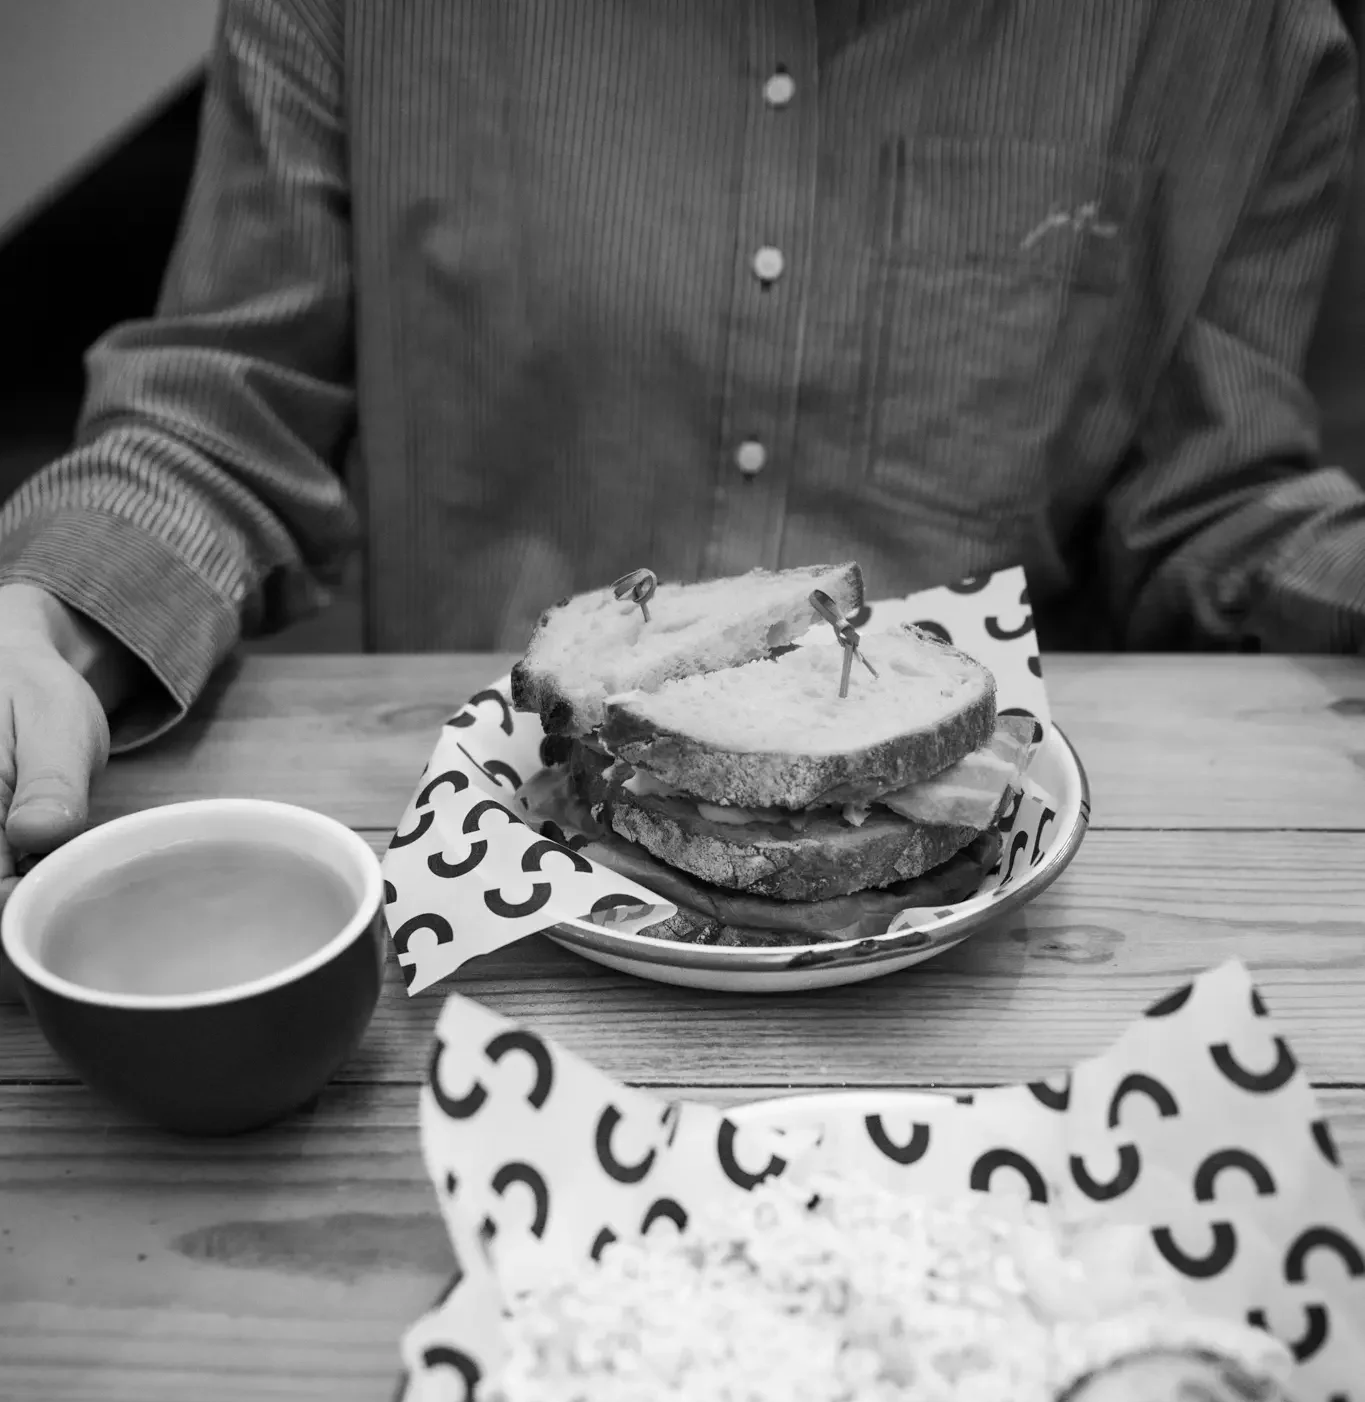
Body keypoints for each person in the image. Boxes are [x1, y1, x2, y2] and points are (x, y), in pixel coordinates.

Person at [2, 0, 1363, 940]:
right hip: (482, 932)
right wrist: (47, 621)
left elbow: (1220, 498)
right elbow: (223, 410)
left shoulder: (1237, 36)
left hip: (992, 976)